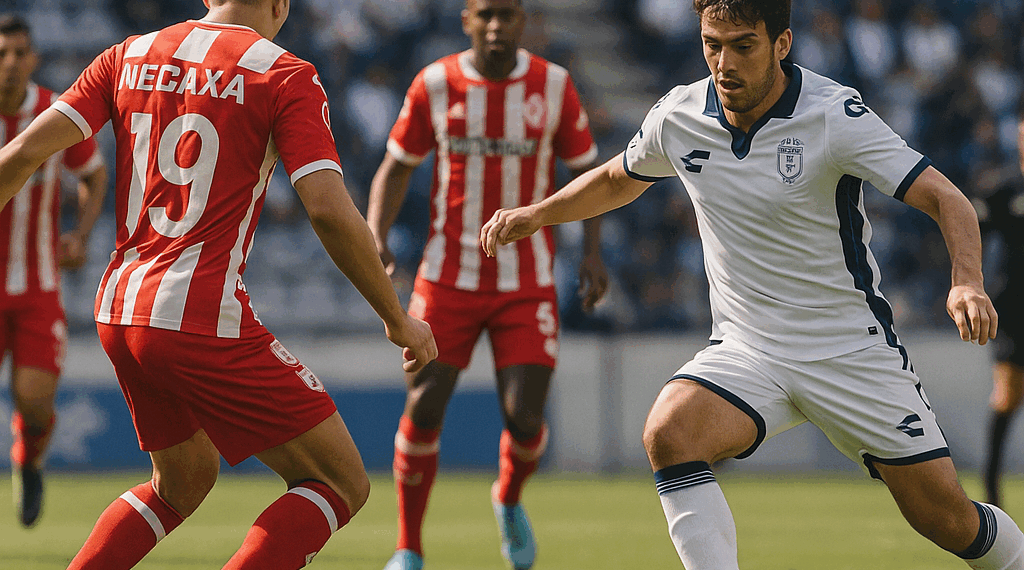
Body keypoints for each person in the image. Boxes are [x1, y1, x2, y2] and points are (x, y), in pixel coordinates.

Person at [481, 0, 1024, 568]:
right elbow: (620, 177)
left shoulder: (833, 114)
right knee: (671, 431)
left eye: (743, 46)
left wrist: (967, 281)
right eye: (712, 45)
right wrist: (539, 213)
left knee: (946, 519)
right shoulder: (678, 115)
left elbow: (946, 197)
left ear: (781, 44)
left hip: (849, 350)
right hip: (749, 348)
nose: (724, 62)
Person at [0, 0, 437, 568]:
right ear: (281, 4)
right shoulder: (284, 73)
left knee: (180, 482)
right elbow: (328, 208)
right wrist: (396, 317)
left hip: (120, 308)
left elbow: (23, 153)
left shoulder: (127, 55)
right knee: (340, 481)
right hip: (196, 311)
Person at [367, 1, 606, 568]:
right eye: (485, 14)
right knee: (424, 406)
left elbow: (588, 173)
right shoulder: (435, 83)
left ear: (523, 21)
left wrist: (592, 253)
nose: (496, 25)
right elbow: (396, 165)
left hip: (526, 281)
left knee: (525, 419)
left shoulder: (554, 86)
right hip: (447, 277)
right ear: (467, 20)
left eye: (507, 14)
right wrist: (376, 234)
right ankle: (408, 548)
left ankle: (508, 497)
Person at [0, 14, 107, 528]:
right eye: (1, 53)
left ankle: (29, 460)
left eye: (19, 53)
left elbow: (94, 174)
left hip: (38, 287)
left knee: (36, 401)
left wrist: (80, 235)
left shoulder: (52, 111)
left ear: (34, 59)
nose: (10, 63)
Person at [980, 116, 1024, 508]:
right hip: (1012, 305)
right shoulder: (1004, 187)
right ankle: (991, 486)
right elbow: (972, 229)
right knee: (1007, 395)